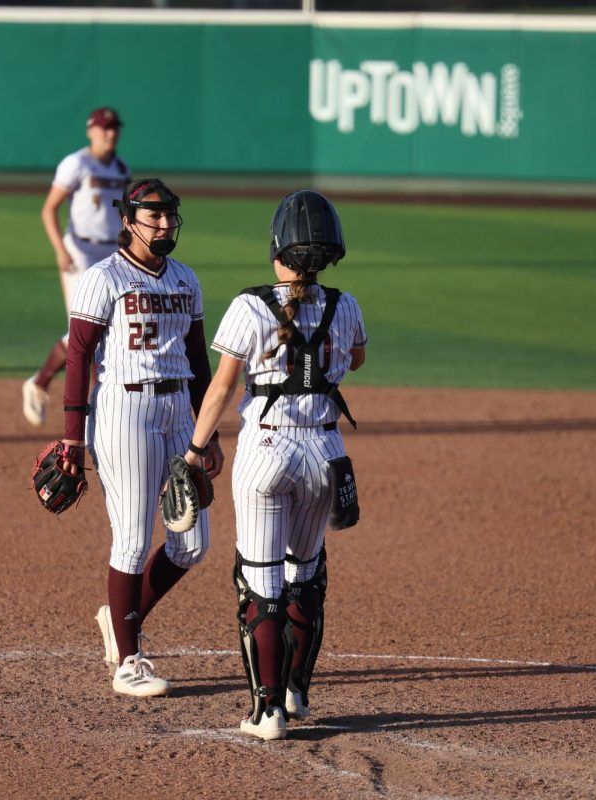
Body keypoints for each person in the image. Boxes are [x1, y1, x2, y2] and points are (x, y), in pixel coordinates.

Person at [181, 190, 367, 740]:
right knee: (305, 578)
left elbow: (220, 387)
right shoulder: (346, 304)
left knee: (258, 584)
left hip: (266, 452)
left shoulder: (249, 306)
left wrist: (194, 451)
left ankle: (267, 713)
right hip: (325, 454)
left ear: (276, 245)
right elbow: (356, 357)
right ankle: (297, 692)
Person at [58, 178, 224, 697]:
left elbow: (199, 363)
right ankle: (129, 661)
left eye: (170, 215)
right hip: (124, 411)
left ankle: (119, 616)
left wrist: (208, 432)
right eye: (154, 216)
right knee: (132, 537)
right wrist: (71, 439)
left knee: (192, 542)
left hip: (179, 414)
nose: (166, 224)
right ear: (128, 221)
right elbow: (78, 357)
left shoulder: (186, 279)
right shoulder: (102, 278)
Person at [23, 106, 130, 426]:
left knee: (111, 326)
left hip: (113, 252)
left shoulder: (121, 169)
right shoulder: (77, 163)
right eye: (103, 128)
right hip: (80, 251)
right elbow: (48, 209)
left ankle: (94, 399)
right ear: (90, 131)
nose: (109, 133)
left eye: (114, 128)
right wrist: (60, 249)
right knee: (84, 327)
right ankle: (41, 384)